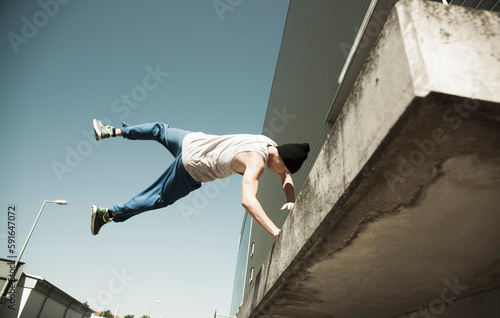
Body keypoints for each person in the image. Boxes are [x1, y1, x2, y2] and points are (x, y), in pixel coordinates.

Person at [90, 119, 310, 238]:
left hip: (191, 141)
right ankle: (107, 214)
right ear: (282, 160)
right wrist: (275, 231)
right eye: (282, 171)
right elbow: (248, 201)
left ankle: (111, 131)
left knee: (159, 130)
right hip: (191, 168)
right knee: (158, 198)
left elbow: (285, 178)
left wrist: (290, 199)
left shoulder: (268, 142)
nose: (278, 174)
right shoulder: (257, 162)